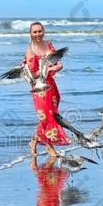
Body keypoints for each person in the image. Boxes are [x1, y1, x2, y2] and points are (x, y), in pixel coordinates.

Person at [24, 22, 70, 158]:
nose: (38, 34)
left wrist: (58, 66)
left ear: (43, 31)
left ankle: (34, 141)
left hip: (51, 85)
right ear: (30, 34)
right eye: (35, 32)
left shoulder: (49, 45)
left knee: (51, 114)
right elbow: (32, 74)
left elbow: (57, 62)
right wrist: (49, 69)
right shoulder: (30, 50)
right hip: (39, 87)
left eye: (40, 31)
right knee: (45, 116)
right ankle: (49, 147)